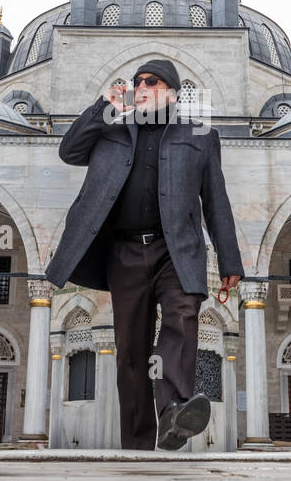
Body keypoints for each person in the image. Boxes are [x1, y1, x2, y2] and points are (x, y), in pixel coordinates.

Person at [44, 58, 244, 450]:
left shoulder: (200, 135)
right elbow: (69, 151)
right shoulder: (110, 126)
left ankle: (172, 412)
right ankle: (136, 445)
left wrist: (230, 260)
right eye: (137, 81)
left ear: (171, 90)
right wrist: (102, 108)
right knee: (131, 351)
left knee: (183, 318)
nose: (141, 86)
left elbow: (216, 201)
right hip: (125, 252)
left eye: (151, 81)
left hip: (177, 249)